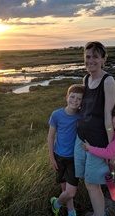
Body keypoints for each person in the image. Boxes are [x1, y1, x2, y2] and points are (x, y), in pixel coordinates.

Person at [74, 41, 115, 216]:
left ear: (103, 59)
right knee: (88, 181)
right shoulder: (86, 79)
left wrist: (111, 149)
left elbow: (108, 116)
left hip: (97, 142)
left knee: (93, 184)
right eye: (88, 57)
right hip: (81, 139)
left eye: (95, 57)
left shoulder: (108, 81)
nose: (91, 61)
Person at [48, 84, 85, 216]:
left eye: (79, 99)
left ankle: (56, 203)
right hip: (58, 156)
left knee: (71, 192)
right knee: (64, 188)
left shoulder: (81, 115)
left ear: (82, 102)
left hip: (74, 158)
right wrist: (52, 158)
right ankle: (71, 212)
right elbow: (51, 137)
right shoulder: (56, 115)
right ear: (67, 97)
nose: (75, 100)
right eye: (72, 97)